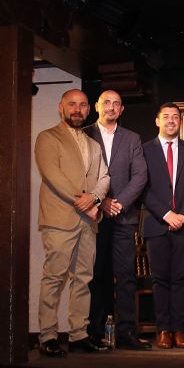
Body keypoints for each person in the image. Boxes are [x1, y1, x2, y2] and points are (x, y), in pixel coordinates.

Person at [35, 89, 110, 357]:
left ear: (89, 109)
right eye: (71, 104)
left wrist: (96, 200)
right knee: (54, 278)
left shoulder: (93, 145)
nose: (77, 109)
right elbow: (52, 175)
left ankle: (79, 335)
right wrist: (84, 202)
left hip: (87, 223)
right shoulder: (47, 137)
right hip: (60, 219)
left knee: (83, 280)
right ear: (61, 107)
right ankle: (48, 336)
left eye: (82, 105)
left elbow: (104, 177)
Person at [84, 90, 150, 351]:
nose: (111, 107)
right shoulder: (85, 134)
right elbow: (80, 174)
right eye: (106, 102)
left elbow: (141, 176)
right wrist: (102, 202)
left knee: (126, 277)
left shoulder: (132, 138)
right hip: (94, 217)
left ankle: (126, 333)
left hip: (123, 218)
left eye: (116, 104)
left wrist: (118, 202)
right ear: (97, 106)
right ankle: (95, 333)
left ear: (122, 110)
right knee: (96, 275)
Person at [142, 102, 184, 349]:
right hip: (157, 224)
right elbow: (142, 187)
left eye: (175, 117)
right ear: (157, 120)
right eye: (165, 116)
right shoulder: (144, 150)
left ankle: (178, 329)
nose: (170, 120)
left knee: (181, 278)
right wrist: (166, 214)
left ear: (180, 122)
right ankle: (163, 330)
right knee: (160, 280)